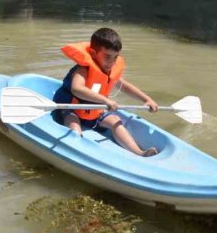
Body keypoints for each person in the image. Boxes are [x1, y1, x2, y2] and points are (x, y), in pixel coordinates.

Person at [53, 28, 160, 157]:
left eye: (115, 57)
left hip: (94, 113)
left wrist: (146, 99)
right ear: (93, 53)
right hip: (72, 109)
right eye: (107, 56)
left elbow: (124, 86)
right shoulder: (83, 69)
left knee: (115, 120)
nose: (112, 62)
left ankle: (140, 153)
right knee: (73, 122)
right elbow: (77, 88)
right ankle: (77, 150)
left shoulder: (109, 71)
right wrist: (105, 100)